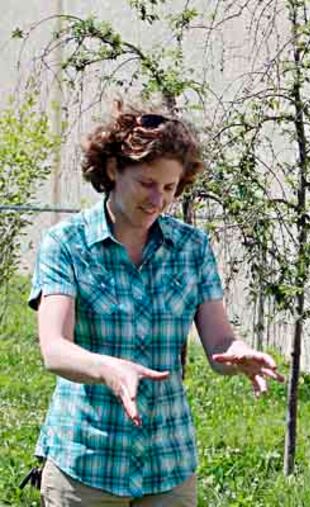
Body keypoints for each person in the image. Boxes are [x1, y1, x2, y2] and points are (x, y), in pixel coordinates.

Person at [29, 100, 284, 506]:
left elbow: (219, 340)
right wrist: (108, 369)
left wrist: (235, 353)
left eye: (170, 188)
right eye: (147, 183)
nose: (158, 199)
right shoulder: (66, 244)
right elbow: (54, 350)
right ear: (114, 169)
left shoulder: (192, 247)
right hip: (87, 460)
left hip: (168, 462)